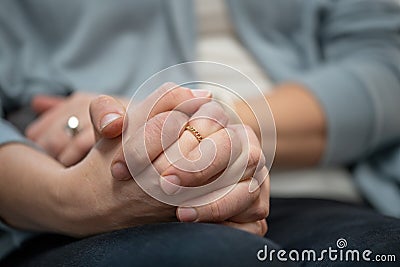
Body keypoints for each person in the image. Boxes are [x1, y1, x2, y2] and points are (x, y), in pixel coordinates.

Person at [1, 0, 400, 266]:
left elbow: (386, 68)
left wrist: (212, 127)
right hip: (79, 191)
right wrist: (68, 201)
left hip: (323, 191)